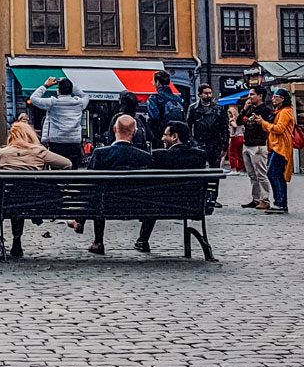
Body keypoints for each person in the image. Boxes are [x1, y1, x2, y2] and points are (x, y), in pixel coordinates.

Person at [0, 118, 72, 258]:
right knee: (27, 194)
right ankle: (35, 217)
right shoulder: (38, 151)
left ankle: (16, 239)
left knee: (17, 197)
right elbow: (67, 164)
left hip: (10, 201)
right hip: (37, 201)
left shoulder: (3, 153)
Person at [83, 113, 153, 255]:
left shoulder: (100, 154)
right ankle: (143, 239)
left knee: (98, 194)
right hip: (140, 205)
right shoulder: (144, 156)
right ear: (134, 132)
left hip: (106, 204)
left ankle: (98, 241)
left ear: (114, 129)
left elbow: (89, 182)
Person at [135, 119, 208, 252]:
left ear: (174, 137)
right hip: (192, 204)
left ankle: (143, 239)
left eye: (165, 135)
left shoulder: (159, 155)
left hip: (159, 204)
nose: (162, 138)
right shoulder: (200, 156)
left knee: (152, 198)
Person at [28, 77, 89, 167]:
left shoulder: (53, 103)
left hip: (56, 143)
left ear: (58, 90)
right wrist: (71, 85)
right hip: (74, 143)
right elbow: (85, 96)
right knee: (73, 171)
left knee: (56, 173)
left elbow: (33, 98)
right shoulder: (79, 103)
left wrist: (46, 85)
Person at [261, 89, 296, 213]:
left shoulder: (286, 112)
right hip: (275, 146)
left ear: (283, 99)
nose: (273, 99)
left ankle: (280, 202)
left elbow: (279, 129)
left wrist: (263, 123)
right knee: (277, 175)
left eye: (276, 97)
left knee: (273, 174)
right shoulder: (280, 111)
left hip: (280, 147)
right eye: (273, 97)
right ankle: (281, 203)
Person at [240, 90, 273, 209]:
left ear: (260, 96)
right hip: (247, 144)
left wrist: (261, 121)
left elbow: (269, 126)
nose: (249, 97)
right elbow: (239, 121)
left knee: (261, 174)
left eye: (252, 94)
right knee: (252, 174)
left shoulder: (266, 110)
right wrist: (244, 109)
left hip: (258, 145)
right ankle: (256, 198)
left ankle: (265, 199)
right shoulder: (250, 109)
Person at [186, 85, 226, 168]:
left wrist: (224, 145)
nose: (208, 95)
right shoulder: (193, 109)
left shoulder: (218, 109)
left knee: (215, 168)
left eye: (210, 93)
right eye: (206, 93)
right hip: (199, 142)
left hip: (215, 143)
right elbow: (188, 127)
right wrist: (192, 141)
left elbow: (224, 127)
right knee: (199, 167)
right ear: (200, 94)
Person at [146, 71, 185, 148]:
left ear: (157, 82)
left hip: (161, 138)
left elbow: (154, 118)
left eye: (153, 81)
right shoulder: (178, 99)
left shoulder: (154, 98)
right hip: (177, 138)